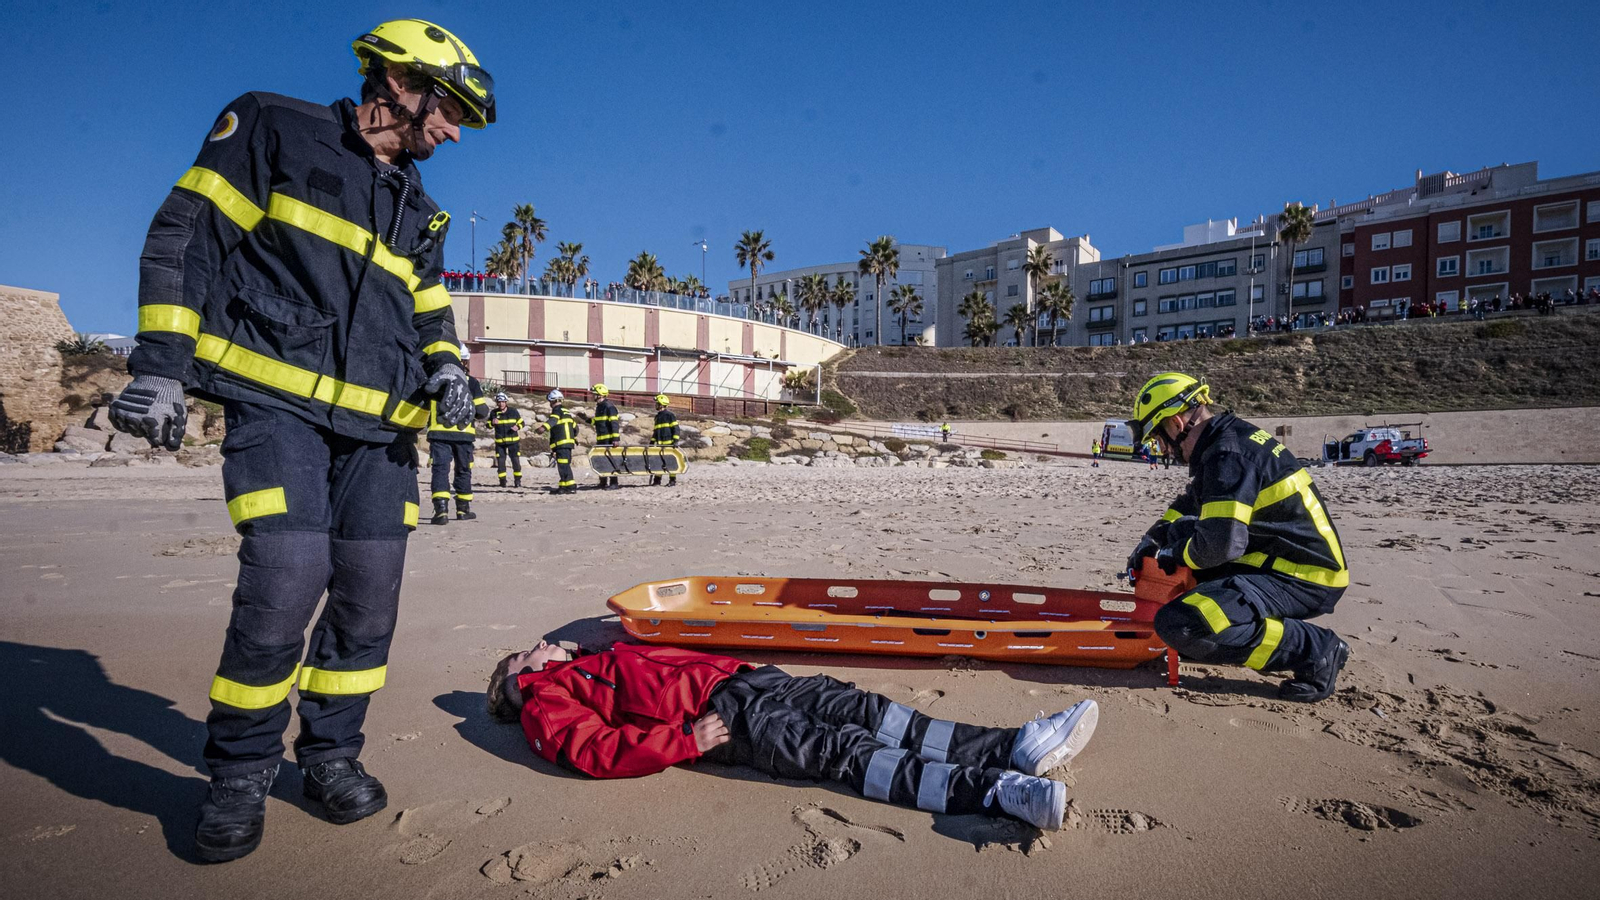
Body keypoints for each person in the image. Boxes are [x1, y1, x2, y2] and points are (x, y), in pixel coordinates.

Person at [106, 19, 496, 862]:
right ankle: (241, 775)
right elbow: (186, 235)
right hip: (272, 407)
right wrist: (162, 366)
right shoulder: (274, 127)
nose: (455, 130)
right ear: (399, 81)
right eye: (452, 107)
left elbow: (427, 309)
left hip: (380, 435)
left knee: (367, 597)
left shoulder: (418, 208)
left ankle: (329, 756)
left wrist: (450, 366)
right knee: (285, 583)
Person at [486, 641, 1099, 831]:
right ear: (515, 679)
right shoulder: (545, 701)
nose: (539, 643)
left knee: (871, 712)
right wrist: (685, 741)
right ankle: (997, 793)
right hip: (725, 721)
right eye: (524, 653)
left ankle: (1011, 747)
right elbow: (594, 752)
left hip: (753, 682)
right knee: (848, 754)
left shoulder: (591, 657)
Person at [1125, 372, 1350, 703]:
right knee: (1190, 571)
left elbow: (1218, 546)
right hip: (1278, 559)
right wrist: (1154, 540)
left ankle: (1314, 650)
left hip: (1303, 575)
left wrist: (1172, 554)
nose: (1162, 450)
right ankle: (1224, 635)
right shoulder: (1226, 441)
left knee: (1180, 625)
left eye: (1158, 439)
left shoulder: (1227, 455)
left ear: (1175, 423)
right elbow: (1192, 504)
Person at [427, 359, 488, 524]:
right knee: (463, 471)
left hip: (439, 433)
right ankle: (463, 510)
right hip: (463, 434)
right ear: (466, 363)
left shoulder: (435, 378)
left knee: (440, 470)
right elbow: (482, 411)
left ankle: (441, 512)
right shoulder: (471, 382)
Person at [537, 389, 578, 495]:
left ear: (552, 400)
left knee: (563, 465)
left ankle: (571, 487)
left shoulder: (557, 410)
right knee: (563, 465)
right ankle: (563, 486)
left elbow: (553, 421)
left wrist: (543, 428)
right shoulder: (566, 412)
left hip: (562, 443)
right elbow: (575, 428)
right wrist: (573, 437)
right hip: (568, 443)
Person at [489, 392, 524, 488]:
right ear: (497, 403)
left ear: (506, 402)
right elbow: (488, 425)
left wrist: (518, 427)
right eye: (499, 402)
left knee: (515, 462)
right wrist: (492, 423)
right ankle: (502, 482)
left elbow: (522, 423)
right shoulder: (493, 413)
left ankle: (517, 481)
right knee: (500, 463)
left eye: (503, 402)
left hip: (513, 442)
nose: (501, 404)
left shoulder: (513, 411)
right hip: (500, 443)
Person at [591, 383, 621, 490]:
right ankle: (602, 482)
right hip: (601, 439)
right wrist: (585, 419)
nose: (593, 396)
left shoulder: (609, 407)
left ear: (600, 395)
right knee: (602, 461)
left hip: (609, 440)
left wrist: (615, 439)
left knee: (611, 460)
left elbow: (614, 424)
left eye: (595, 394)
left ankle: (614, 483)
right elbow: (598, 422)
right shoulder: (600, 407)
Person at [650, 393, 679, 487]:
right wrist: (652, 441)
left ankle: (672, 480)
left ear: (661, 404)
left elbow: (676, 429)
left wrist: (675, 441)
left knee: (670, 462)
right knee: (659, 462)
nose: (656, 405)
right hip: (659, 444)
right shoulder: (657, 417)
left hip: (669, 444)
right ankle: (657, 480)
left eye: (657, 403)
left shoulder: (670, 415)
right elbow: (656, 431)